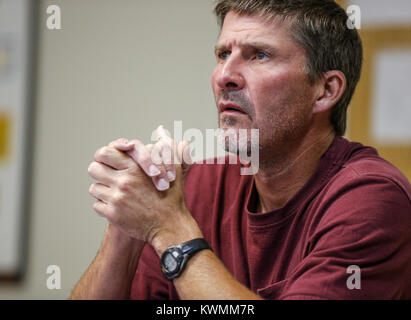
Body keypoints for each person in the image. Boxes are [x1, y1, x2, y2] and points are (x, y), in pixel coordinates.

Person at [70, 0, 411, 300]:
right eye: (222, 54)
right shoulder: (196, 186)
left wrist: (170, 229)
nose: (224, 76)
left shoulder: (372, 198)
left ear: (325, 90)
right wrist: (126, 223)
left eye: (259, 55)